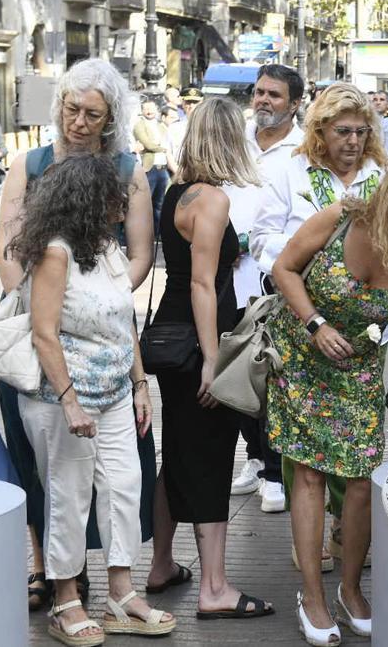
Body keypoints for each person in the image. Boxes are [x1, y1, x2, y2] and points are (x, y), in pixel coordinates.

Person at [268, 157, 388, 644]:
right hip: (303, 357)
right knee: (308, 472)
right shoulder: (337, 219)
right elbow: (284, 269)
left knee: (358, 481)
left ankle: (351, 590)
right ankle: (312, 595)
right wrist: (316, 324)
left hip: (359, 371)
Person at [0, 57, 155, 614]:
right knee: (48, 466)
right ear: (59, 105)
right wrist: (48, 306)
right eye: (72, 109)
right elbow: (9, 248)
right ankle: (54, 576)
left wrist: (96, 296)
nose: (80, 122)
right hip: (40, 340)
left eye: (93, 114)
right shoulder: (29, 163)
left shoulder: (126, 170)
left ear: (110, 118)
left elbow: (137, 257)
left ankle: (115, 583)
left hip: (107, 342)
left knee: (117, 474)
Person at [11, 155, 175, 645]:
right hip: (61, 398)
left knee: (126, 486)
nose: (124, 202)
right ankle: (65, 601)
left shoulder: (105, 246)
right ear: (88, 199)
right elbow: (43, 334)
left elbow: (123, 314)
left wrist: (140, 382)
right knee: (68, 495)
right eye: (115, 194)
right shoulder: (54, 252)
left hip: (115, 393)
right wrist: (69, 402)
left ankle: (121, 593)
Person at [146, 96, 274, 623]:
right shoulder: (215, 199)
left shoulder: (179, 191)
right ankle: (215, 587)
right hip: (198, 340)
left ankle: (159, 566)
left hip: (169, 333)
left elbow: (190, 267)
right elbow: (202, 283)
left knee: (176, 454)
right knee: (210, 459)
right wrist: (213, 359)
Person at [251, 82, 387, 571]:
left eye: (360, 131)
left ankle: (341, 526)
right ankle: (307, 537)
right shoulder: (291, 172)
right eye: (341, 131)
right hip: (301, 322)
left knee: (354, 440)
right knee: (302, 441)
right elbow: (261, 236)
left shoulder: (381, 177)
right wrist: (299, 255)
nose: (352, 141)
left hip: (362, 336)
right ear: (321, 131)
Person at [236, 62, 306, 514]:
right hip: (234, 280)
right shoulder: (235, 142)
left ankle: (276, 470)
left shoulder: (304, 151)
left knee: (276, 376)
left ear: (294, 103)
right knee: (240, 372)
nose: (263, 100)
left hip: (280, 282)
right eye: (259, 92)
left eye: (274, 95)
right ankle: (255, 456)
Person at [134, 99, 171, 231]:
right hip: (149, 168)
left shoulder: (162, 126)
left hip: (163, 169)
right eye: (146, 108)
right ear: (142, 111)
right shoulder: (139, 125)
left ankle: (157, 233)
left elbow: (167, 143)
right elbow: (148, 144)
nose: (149, 111)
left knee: (160, 204)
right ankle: (143, 232)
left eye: (151, 108)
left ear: (157, 110)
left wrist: (160, 146)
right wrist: (162, 148)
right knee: (145, 204)